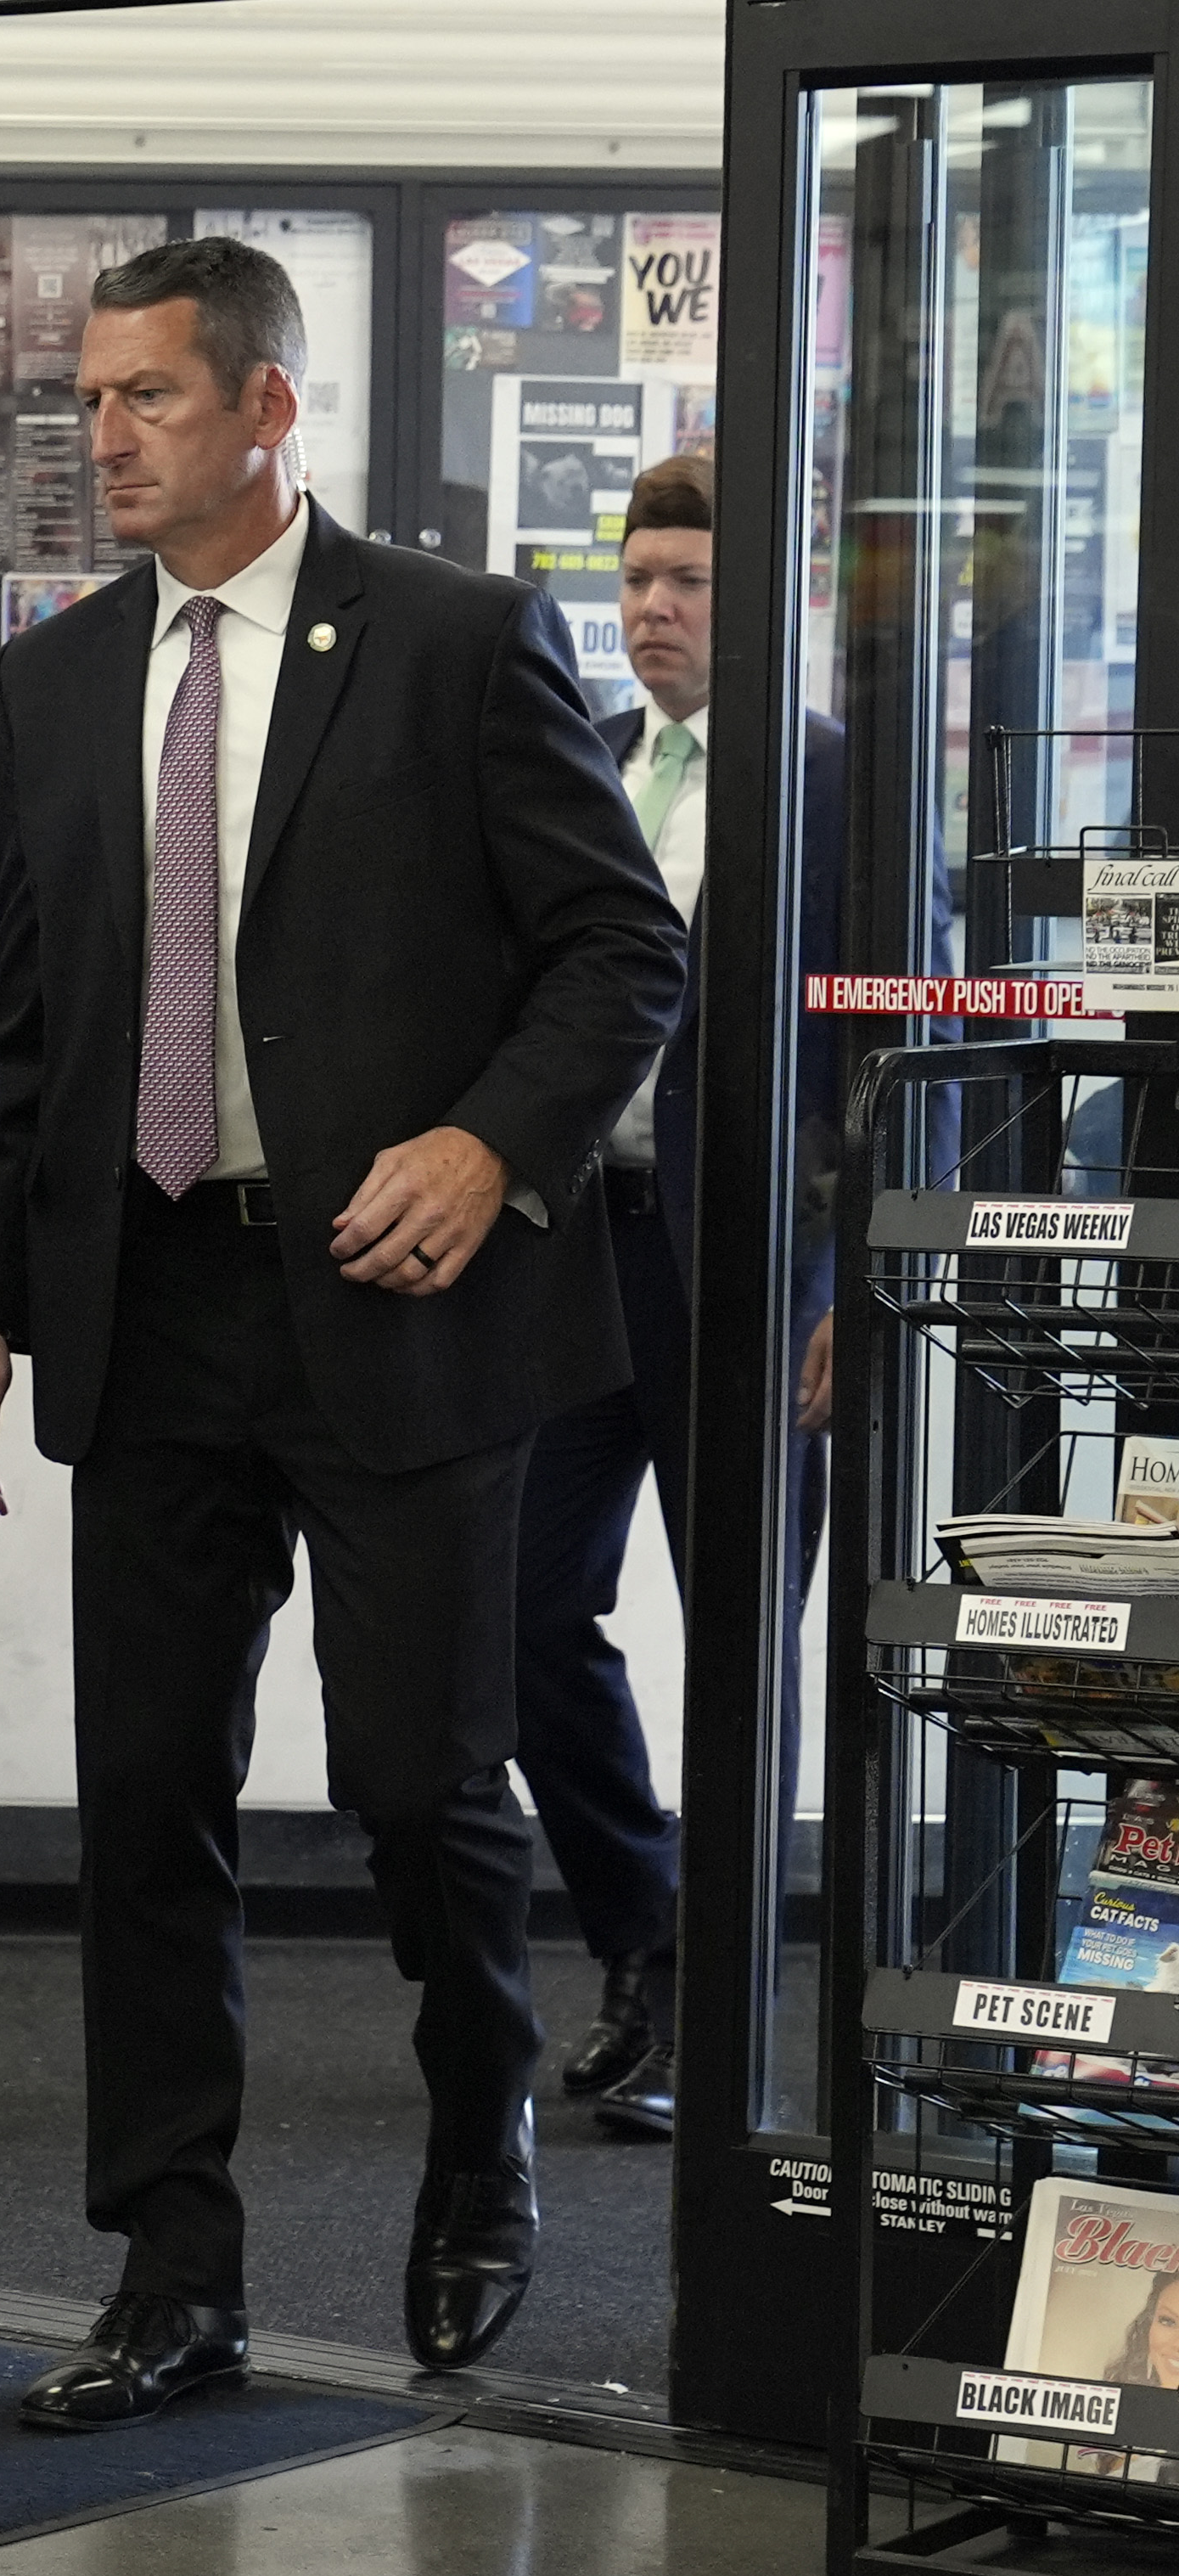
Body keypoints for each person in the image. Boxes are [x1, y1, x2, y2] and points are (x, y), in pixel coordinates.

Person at [0, 235, 682, 2417]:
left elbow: (621, 950)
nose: (103, 436)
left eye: (147, 396)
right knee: (146, 1788)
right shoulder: (56, 678)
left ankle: (480, 2141)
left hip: (399, 1301)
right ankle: (174, 2261)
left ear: (269, 409)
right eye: (86, 400)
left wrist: (485, 1147)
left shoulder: (453, 639)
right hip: (145, 1299)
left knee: (420, 1781)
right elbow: (37, 1022)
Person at [514, 450, 844, 2143]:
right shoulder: (588, 763)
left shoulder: (827, 785)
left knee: (742, 1652)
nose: (650, 608)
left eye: (688, 582)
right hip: (578, 1257)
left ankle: (718, 2007)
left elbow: (891, 1048)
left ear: (759, 598)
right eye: (636, 578)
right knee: (516, 1618)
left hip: (748, 1275)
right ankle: (647, 1938)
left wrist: (848, 1280)